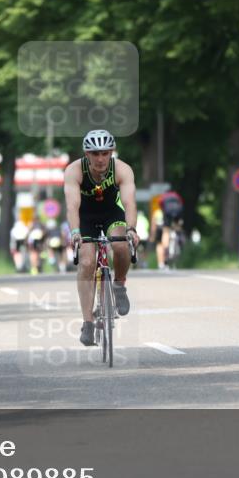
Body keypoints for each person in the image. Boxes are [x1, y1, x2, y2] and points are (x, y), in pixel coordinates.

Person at [64, 129, 139, 346]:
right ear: (86, 154)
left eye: (105, 153)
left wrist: (131, 229)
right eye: (95, 153)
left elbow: (129, 203)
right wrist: (75, 232)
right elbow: (72, 205)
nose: (100, 158)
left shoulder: (122, 169)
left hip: (111, 215)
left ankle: (119, 285)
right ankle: (88, 322)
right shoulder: (74, 171)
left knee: (122, 245)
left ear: (111, 153)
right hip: (84, 217)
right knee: (86, 262)